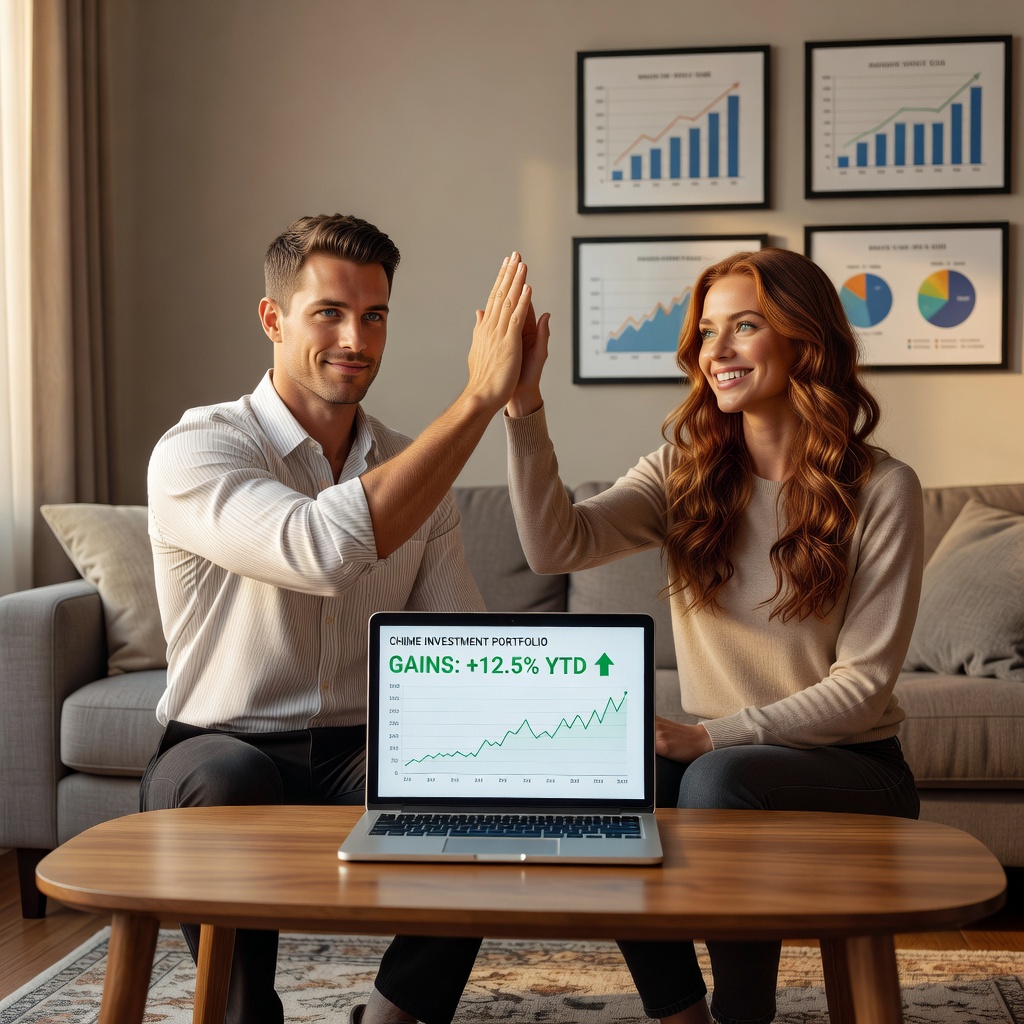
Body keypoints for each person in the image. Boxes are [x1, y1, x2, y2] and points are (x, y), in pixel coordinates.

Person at [503, 247, 923, 1024]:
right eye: (705, 332)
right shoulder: (682, 471)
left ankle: (742, 1014)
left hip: (853, 768)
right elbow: (555, 547)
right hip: (726, 761)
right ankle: (680, 1013)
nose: (717, 350)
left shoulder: (883, 488)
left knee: (716, 780)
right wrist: (524, 406)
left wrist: (709, 737)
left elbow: (864, 686)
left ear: (805, 340)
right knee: (607, 780)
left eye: (745, 327)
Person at [142, 213, 535, 1024]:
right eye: (329, 312)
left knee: (482, 788)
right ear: (273, 318)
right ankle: (246, 1015)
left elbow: (461, 647)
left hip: (365, 752)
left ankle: (394, 1016)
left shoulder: (413, 469)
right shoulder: (198, 448)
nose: (356, 339)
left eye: (375, 315)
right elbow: (318, 551)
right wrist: (478, 398)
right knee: (228, 781)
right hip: (218, 746)